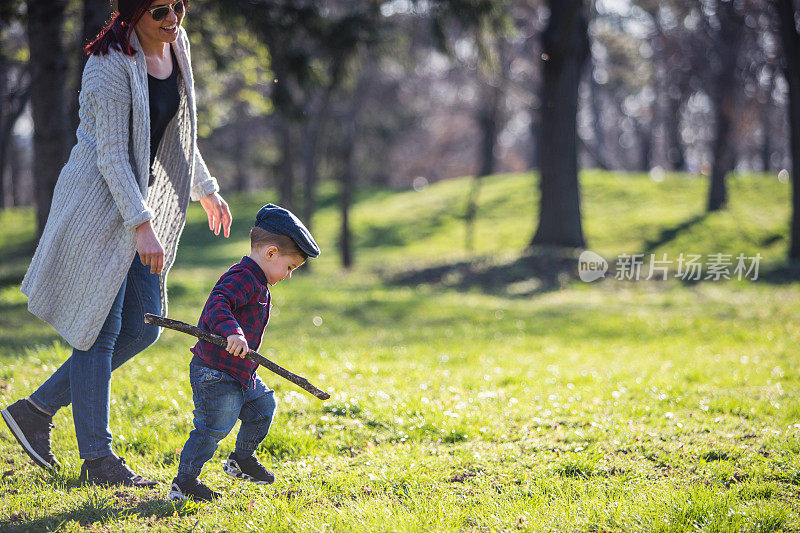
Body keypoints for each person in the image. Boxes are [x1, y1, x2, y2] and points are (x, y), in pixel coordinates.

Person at [1, 0, 232, 487]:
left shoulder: (177, 47)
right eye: (160, 11)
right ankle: (98, 461)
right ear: (132, 13)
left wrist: (205, 188)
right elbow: (109, 154)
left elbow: (179, 134)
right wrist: (141, 223)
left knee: (143, 327)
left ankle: (35, 409)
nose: (173, 19)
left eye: (179, 7)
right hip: (98, 207)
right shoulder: (108, 65)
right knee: (98, 333)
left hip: (136, 204)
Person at [167, 204, 320, 502]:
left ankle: (241, 459)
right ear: (271, 253)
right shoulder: (242, 277)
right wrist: (233, 332)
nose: (288, 275)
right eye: (289, 267)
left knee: (263, 407)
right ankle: (185, 481)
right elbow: (218, 303)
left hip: (238, 372)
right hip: (214, 371)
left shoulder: (260, 282)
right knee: (214, 427)